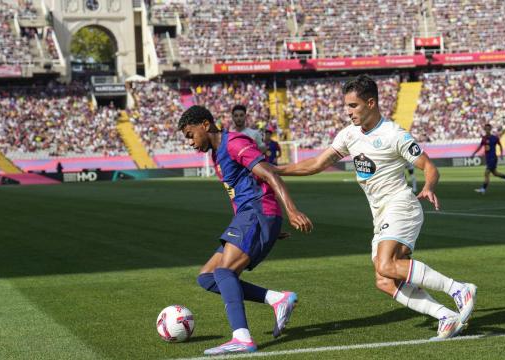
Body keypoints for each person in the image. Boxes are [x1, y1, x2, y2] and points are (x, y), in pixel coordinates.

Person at [276, 75, 477, 340]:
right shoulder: (348, 135)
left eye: (353, 106)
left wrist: (428, 186)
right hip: (380, 213)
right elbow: (316, 164)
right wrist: (276, 170)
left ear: (371, 103)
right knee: (385, 280)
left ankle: (459, 289)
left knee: (386, 264)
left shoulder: (394, 134)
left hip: (401, 205)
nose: (348, 112)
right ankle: (446, 316)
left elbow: (429, 167)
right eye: (346, 106)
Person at [178, 105, 313, 355]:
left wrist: (289, 212)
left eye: (190, 134)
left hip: (257, 213)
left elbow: (270, 173)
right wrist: (270, 226)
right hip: (251, 217)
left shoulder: (234, 143)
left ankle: (241, 337)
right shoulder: (217, 155)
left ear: (205, 125)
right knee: (207, 277)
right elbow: (239, 194)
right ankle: (276, 299)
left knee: (225, 271)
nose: (190, 142)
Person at [471, 124, 505, 194]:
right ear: (485, 129)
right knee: (495, 173)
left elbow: (500, 145)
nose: (487, 130)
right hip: (488, 158)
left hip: (493, 158)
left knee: (486, 173)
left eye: (488, 129)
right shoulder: (484, 138)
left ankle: (483, 189)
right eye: (486, 129)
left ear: (490, 129)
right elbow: (480, 146)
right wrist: (474, 153)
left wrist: (501, 154)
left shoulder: (495, 138)